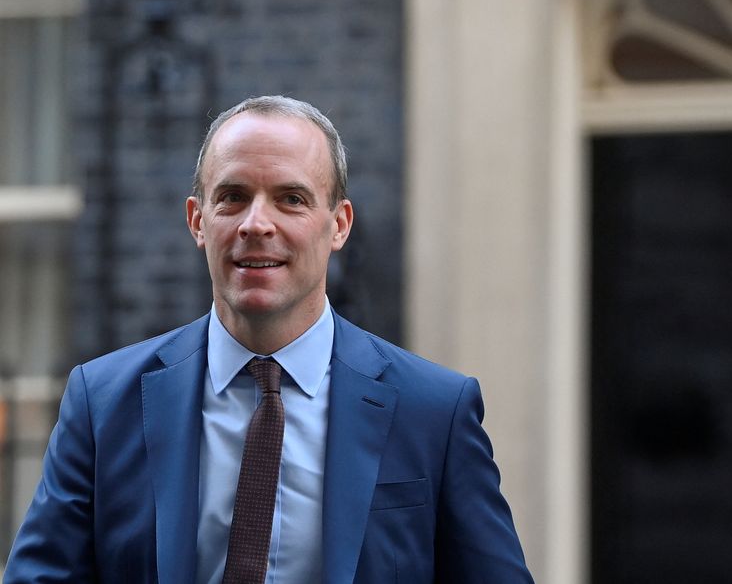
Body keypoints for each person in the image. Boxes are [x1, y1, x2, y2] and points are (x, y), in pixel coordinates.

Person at [4, 95, 534, 583]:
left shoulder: (434, 412)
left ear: (339, 225)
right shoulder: (102, 403)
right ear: (198, 221)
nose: (257, 223)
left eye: (291, 199)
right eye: (232, 197)